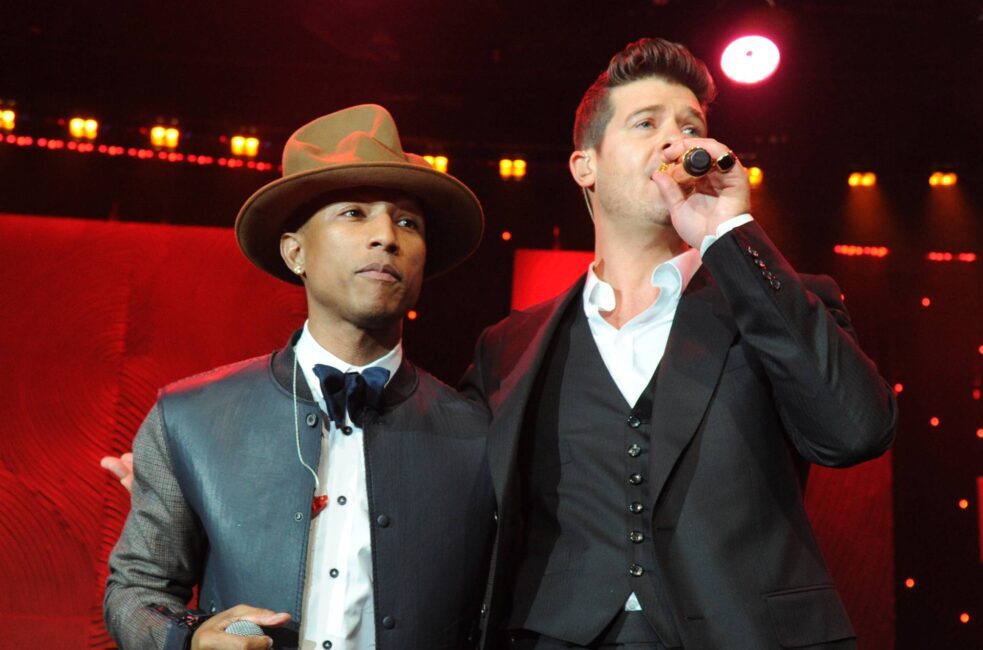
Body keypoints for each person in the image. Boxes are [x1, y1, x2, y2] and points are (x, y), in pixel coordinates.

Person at [460, 38, 898, 649]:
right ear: (585, 164)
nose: (676, 140)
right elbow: (456, 513)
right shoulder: (509, 346)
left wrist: (728, 235)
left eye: (690, 126)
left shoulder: (780, 300)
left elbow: (855, 431)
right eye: (647, 123)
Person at [104, 104, 495, 650]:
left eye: (408, 222)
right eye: (355, 213)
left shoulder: (480, 436)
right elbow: (136, 590)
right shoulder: (190, 418)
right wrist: (187, 640)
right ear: (295, 252)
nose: (386, 235)